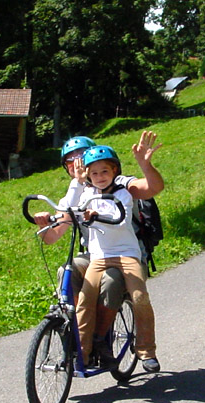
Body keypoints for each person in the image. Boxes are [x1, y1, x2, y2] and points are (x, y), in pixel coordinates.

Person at [33, 132, 164, 370]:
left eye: (81, 156)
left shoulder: (121, 184)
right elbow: (53, 235)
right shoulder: (80, 191)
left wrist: (145, 164)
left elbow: (152, 188)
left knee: (112, 283)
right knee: (67, 273)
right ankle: (77, 337)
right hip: (96, 255)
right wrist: (43, 225)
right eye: (70, 160)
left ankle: (101, 339)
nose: (77, 163)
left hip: (128, 255)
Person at [72, 139, 162, 373]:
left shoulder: (122, 194)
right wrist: (78, 184)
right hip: (99, 257)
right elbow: (75, 212)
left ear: (115, 171)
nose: (100, 176)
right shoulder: (87, 193)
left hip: (126, 255)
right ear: (89, 176)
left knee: (140, 296)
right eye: (94, 173)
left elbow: (119, 220)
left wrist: (94, 217)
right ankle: (82, 353)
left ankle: (146, 351)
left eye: (105, 171)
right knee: (84, 301)